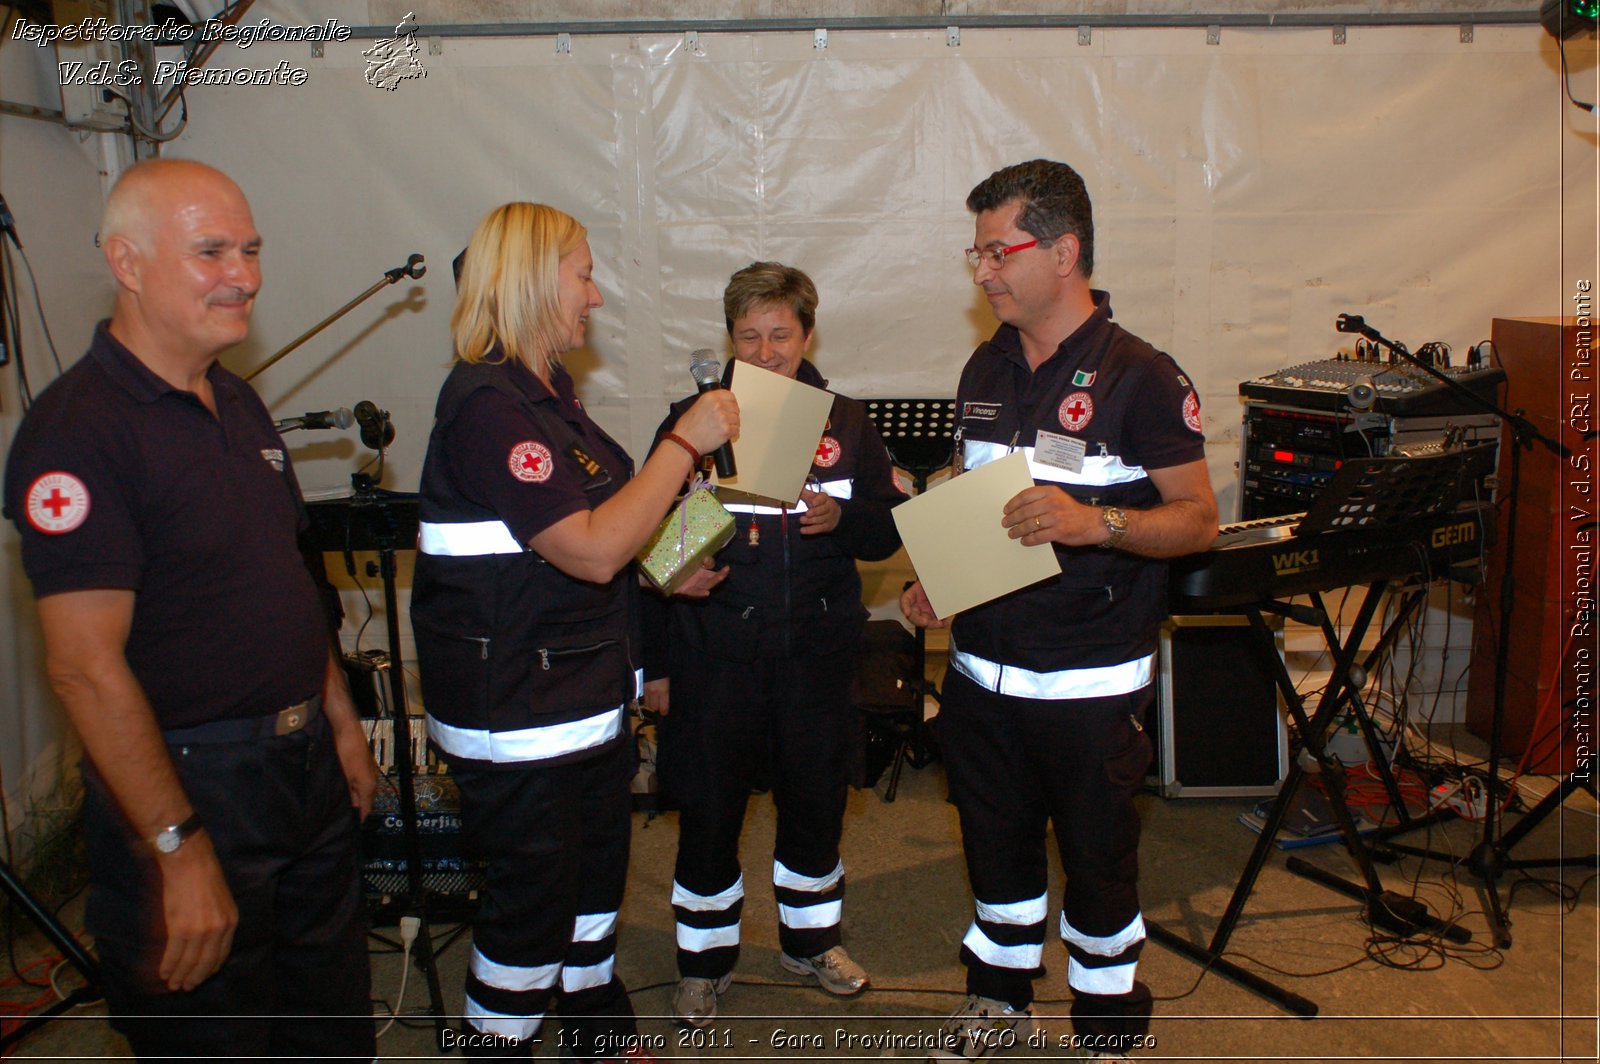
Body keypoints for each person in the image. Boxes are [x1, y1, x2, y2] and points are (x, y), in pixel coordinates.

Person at [2, 159, 379, 1059]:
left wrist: (337, 722)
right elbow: (84, 668)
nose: (243, 275)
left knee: (328, 1029)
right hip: (194, 785)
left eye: (250, 250)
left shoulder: (239, 400)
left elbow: (284, 581)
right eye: (211, 251)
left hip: (303, 779)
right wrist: (179, 849)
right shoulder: (78, 432)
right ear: (127, 262)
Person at [900, 160, 1218, 1061]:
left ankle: (1109, 1026)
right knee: (995, 853)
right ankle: (998, 1003)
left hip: (1088, 683)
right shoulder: (985, 363)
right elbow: (973, 495)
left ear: (1064, 250)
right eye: (976, 253)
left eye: (998, 251)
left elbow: (1199, 521)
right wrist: (940, 578)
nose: (983, 272)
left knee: (1098, 864)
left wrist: (1097, 523)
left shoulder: (1142, 378)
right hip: (979, 677)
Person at [409, 202, 737, 1060]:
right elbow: (589, 553)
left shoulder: (551, 399)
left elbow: (591, 540)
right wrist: (682, 442)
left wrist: (663, 564)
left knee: (592, 902)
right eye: (582, 275)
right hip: (517, 716)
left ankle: (598, 1038)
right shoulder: (487, 404)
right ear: (528, 280)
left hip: (581, 702)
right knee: (529, 920)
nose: (594, 297)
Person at [644, 262, 906, 1028]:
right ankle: (703, 963)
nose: (764, 353)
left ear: (807, 334)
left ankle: (812, 941)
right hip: (714, 657)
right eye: (749, 336)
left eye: (780, 335)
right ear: (730, 338)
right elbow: (645, 545)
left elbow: (888, 527)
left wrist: (843, 521)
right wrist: (654, 660)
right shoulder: (691, 419)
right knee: (710, 808)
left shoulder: (848, 423)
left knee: (816, 803)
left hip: (817, 656)